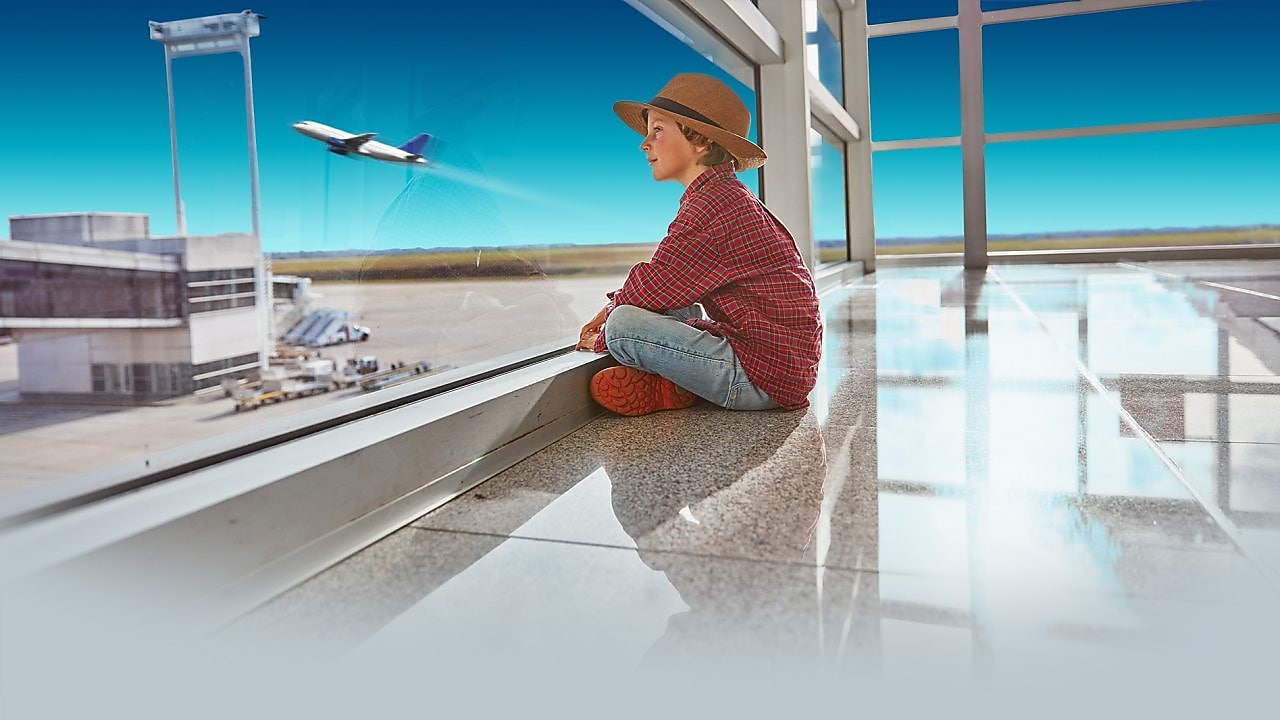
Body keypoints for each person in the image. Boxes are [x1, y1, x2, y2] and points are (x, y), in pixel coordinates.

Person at [577, 73, 823, 416]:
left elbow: (652, 284)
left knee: (623, 325)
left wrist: (605, 328)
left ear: (701, 142)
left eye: (658, 130)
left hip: (763, 381)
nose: (644, 143)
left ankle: (675, 380)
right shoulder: (725, 196)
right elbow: (667, 283)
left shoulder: (712, 206)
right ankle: (672, 385)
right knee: (662, 305)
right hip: (781, 363)